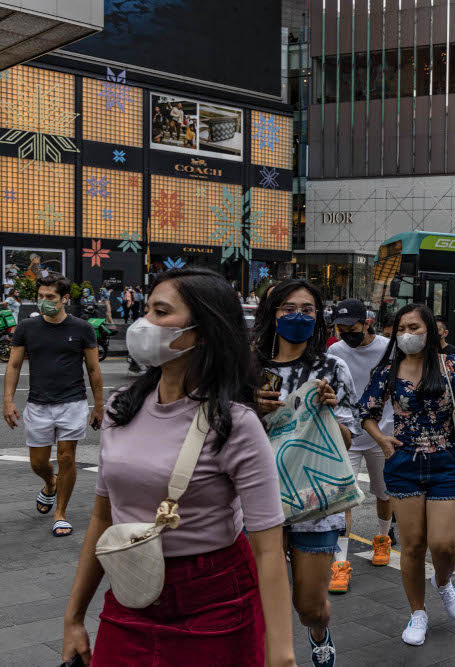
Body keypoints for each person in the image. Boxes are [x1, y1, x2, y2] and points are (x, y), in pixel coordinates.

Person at [59, 268, 296, 667]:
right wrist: (74, 617)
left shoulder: (235, 423)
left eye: (160, 312)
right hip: (130, 591)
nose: (143, 323)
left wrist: (282, 654)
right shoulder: (122, 407)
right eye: (147, 309)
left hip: (215, 600)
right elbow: (103, 515)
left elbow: (269, 549)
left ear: (203, 330)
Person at [358, 303, 455, 646]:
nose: (407, 334)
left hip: (444, 460)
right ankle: (417, 613)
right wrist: (382, 440)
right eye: (401, 328)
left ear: (429, 329)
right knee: (412, 546)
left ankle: (443, 582)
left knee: (444, 545)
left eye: (414, 327)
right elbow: (365, 411)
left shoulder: (450, 363)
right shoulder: (388, 369)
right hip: (403, 463)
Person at [253, 279, 359, 665]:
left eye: (307, 309)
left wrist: (328, 414)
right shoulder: (247, 365)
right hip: (257, 498)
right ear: (273, 314)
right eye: (288, 308)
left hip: (315, 499)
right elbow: (222, 431)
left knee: (309, 606)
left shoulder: (332, 367)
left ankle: (319, 632)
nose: (298, 316)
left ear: (319, 317)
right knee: (263, 600)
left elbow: (346, 441)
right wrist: (252, 408)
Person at [3, 273, 103, 538]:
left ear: (65, 299)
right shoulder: (26, 327)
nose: (44, 301)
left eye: (51, 297)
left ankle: (60, 514)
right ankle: (50, 483)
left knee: (67, 457)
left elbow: (93, 369)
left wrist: (99, 405)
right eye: (41, 297)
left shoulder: (82, 328)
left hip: (73, 403)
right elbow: (13, 365)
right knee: (38, 462)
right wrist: (8, 400)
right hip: (38, 404)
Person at [328, 298, 396, 565]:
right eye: (340, 329)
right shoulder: (336, 351)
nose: (346, 334)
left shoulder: (388, 348)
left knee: (383, 493)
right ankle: (340, 560)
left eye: (351, 327)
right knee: (343, 498)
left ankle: (382, 540)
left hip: (382, 433)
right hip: (347, 435)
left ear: (367, 323)